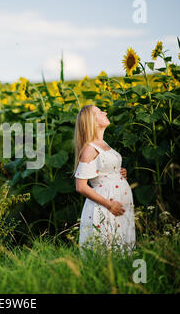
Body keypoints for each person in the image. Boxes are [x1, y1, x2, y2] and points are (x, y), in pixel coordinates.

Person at [73, 105, 135, 254]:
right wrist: (109, 205)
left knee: (121, 245)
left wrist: (118, 172)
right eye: (100, 112)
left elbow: (102, 169)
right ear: (92, 121)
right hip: (105, 205)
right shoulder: (90, 148)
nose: (105, 112)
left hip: (116, 203)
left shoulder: (104, 144)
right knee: (107, 248)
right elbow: (81, 186)